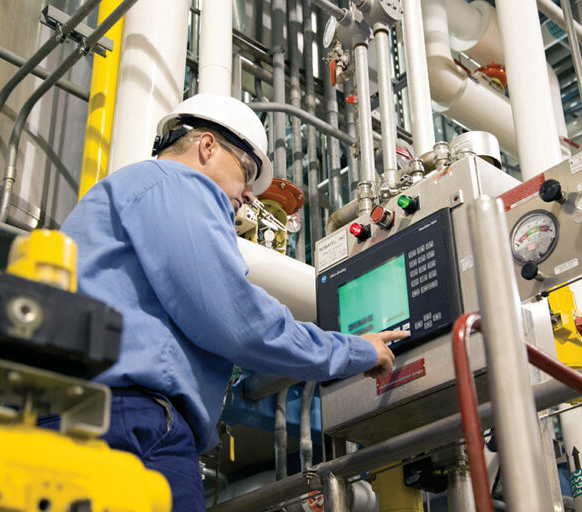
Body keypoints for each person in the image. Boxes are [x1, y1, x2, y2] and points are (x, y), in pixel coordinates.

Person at [40, 94, 407, 510]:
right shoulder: (175, 183)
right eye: (247, 172)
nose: (250, 195)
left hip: (78, 415)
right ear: (207, 146)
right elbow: (241, 323)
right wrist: (357, 350)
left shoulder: (126, 193)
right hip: (128, 424)